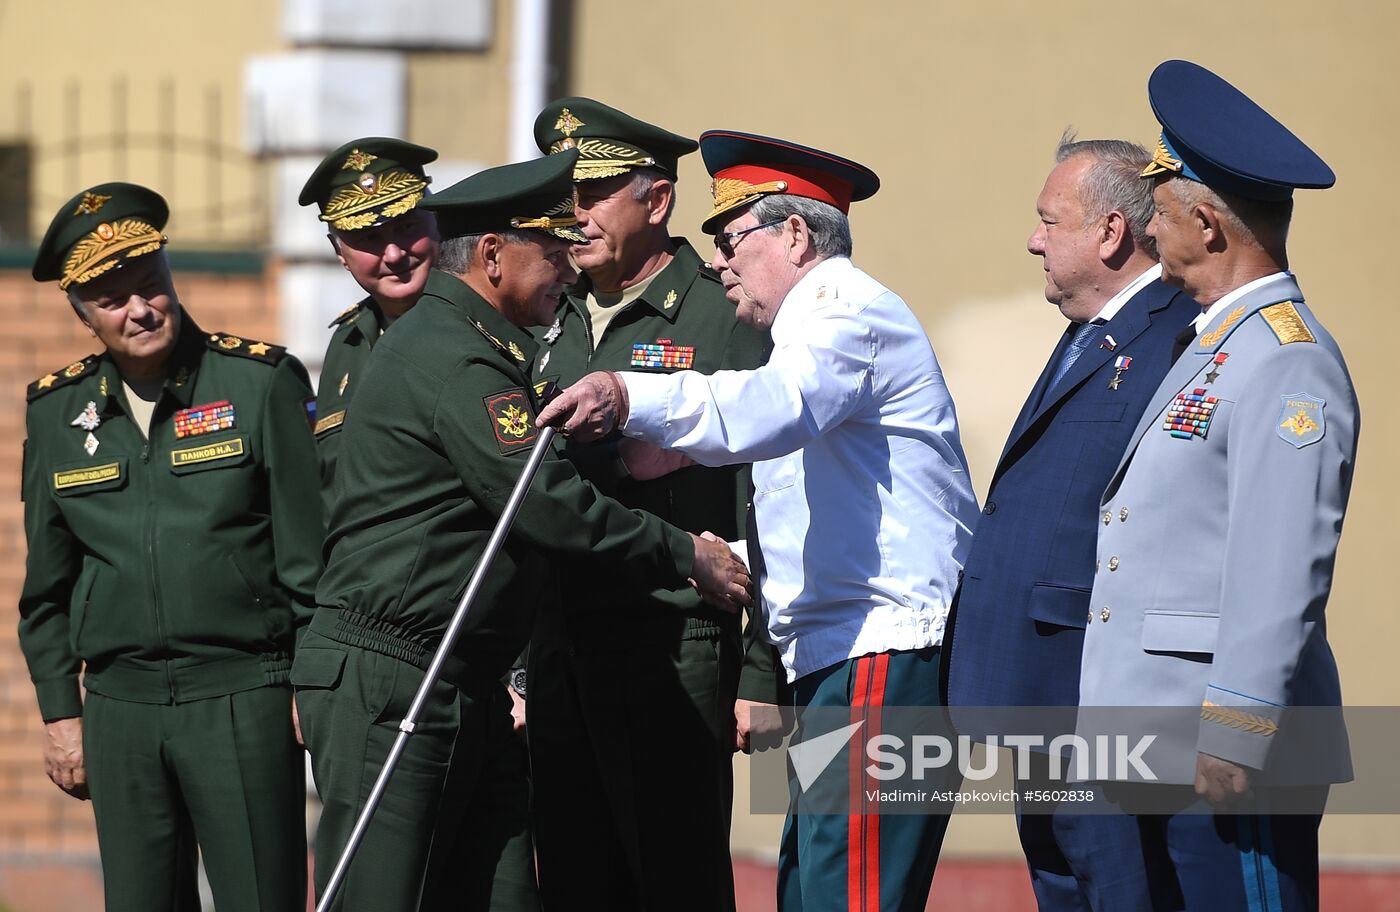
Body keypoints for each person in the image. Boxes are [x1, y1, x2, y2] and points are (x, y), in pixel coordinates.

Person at [291, 148, 752, 912]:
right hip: (395, 670)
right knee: (379, 894)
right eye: (552, 251)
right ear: (496, 255)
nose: (570, 270)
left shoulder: (485, 348)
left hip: (462, 677)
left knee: (508, 895)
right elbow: (547, 505)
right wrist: (685, 554)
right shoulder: (458, 358)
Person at [538, 131, 981, 912]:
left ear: (797, 236)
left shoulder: (845, 309)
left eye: (732, 239)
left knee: (852, 891)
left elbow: (772, 411)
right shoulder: (800, 334)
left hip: (880, 647)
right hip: (826, 650)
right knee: (806, 888)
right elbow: (805, 505)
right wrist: (716, 552)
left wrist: (630, 396)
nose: (718, 262)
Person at [1075, 60, 1358, 911]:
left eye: (1158, 216)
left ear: (1205, 222)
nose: (1150, 236)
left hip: (1223, 750)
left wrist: (1237, 728)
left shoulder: (1286, 358)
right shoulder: (1215, 345)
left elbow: (1282, 562)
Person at [19, 182, 322, 912]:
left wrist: (310, 684)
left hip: (244, 692)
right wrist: (63, 713)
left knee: (260, 897)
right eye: (113, 299)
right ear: (83, 314)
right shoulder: (59, 412)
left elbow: (310, 561)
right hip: (121, 706)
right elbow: (46, 587)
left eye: (150, 284)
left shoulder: (259, 383)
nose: (140, 308)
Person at [525, 96, 782, 911]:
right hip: (558, 647)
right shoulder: (547, 314)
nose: (575, 214)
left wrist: (762, 673)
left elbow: (770, 496)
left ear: (657, 200)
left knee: (672, 881)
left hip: (671, 642)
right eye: (566, 192)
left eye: (594, 192)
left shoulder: (721, 312)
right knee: (573, 881)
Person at [941, 135, 1197, 910]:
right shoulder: (1094, 327)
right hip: (1044, 685)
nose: (1033, 240)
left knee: (1116, 886)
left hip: (1095, 689)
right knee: (1063, 882)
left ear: (1111, 232)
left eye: (1049, 221)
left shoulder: (1175, 333)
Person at [297, 136, 440, 512]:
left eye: (408, 227)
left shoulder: (488, 319)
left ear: (437, 219)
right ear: (339, 252)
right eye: (369, 239)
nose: (394, 254)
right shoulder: (347, 342)